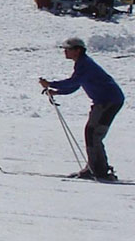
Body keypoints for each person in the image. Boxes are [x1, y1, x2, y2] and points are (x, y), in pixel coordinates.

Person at [40, 37, 125, 181]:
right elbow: (75, 85)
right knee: (92, 133)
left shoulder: (85, 65)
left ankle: (98, 170)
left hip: (108, 101)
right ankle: (95, 168)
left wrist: (50, 83)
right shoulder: (82, 64)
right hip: (106, 101)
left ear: (77, 50)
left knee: (94, 134)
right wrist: (56, 91)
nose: (65, 52)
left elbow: (73, 82)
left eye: (68, 49)